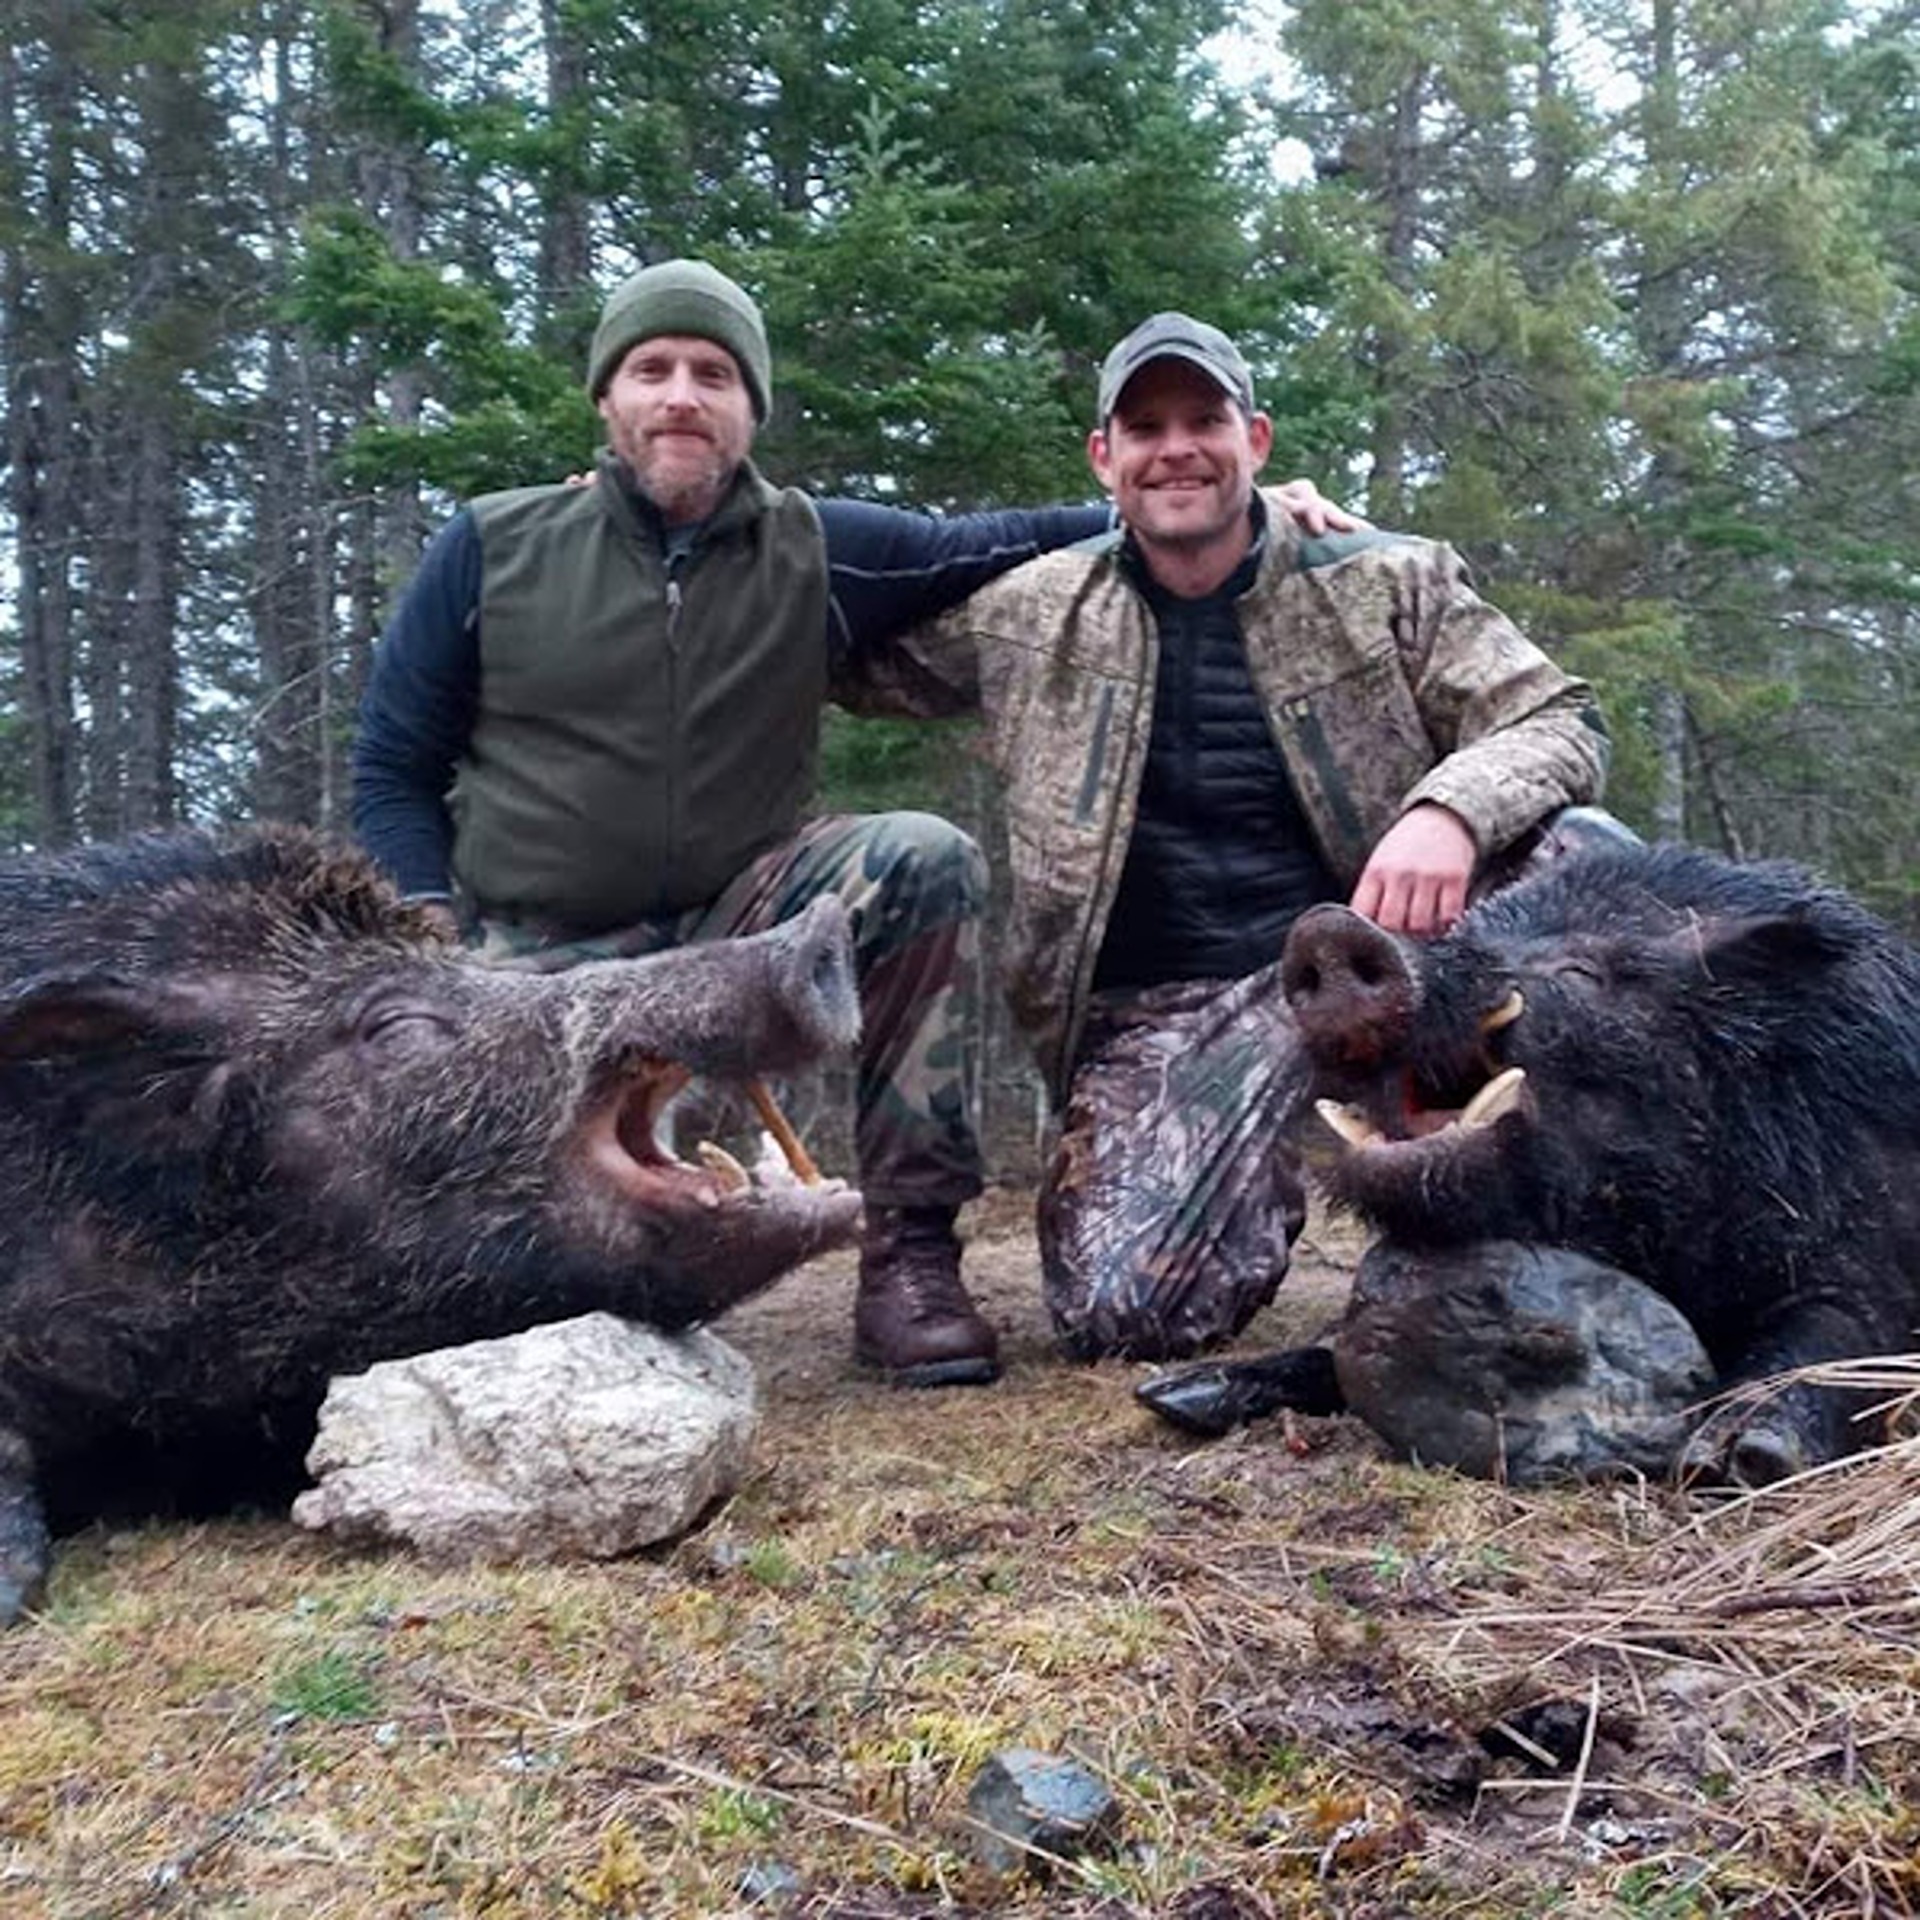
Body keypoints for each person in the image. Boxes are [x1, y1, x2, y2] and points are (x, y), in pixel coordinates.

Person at [352, 261, 1353, 1391]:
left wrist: (1241, 508)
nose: (681, 396)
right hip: (532, 951)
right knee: (469, 1271)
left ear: (751, 407)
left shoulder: (817, 547)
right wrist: (424, 941)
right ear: (606, 397)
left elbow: (1009, 538)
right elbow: (392, 769)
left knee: (918, 856)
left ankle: (909, 1255)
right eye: (652, 369)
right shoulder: (492, 546)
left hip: (745, 926)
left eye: (714, 374)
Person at [838, 310, 1613, 1361]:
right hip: (1180, 1014)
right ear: (1104, 458)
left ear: (1255, 440)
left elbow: (1561, 717)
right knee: (1126, 1312)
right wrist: (662, 545)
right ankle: (1261, 1169)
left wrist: (1450, 812)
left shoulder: (1385, 580)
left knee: (1583, 854)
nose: (1177, 449)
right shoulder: (1029, 610)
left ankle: (1608, 1187)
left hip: (1394, 957)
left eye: (1203, 421)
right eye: (1146, 429)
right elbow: (841, 651)